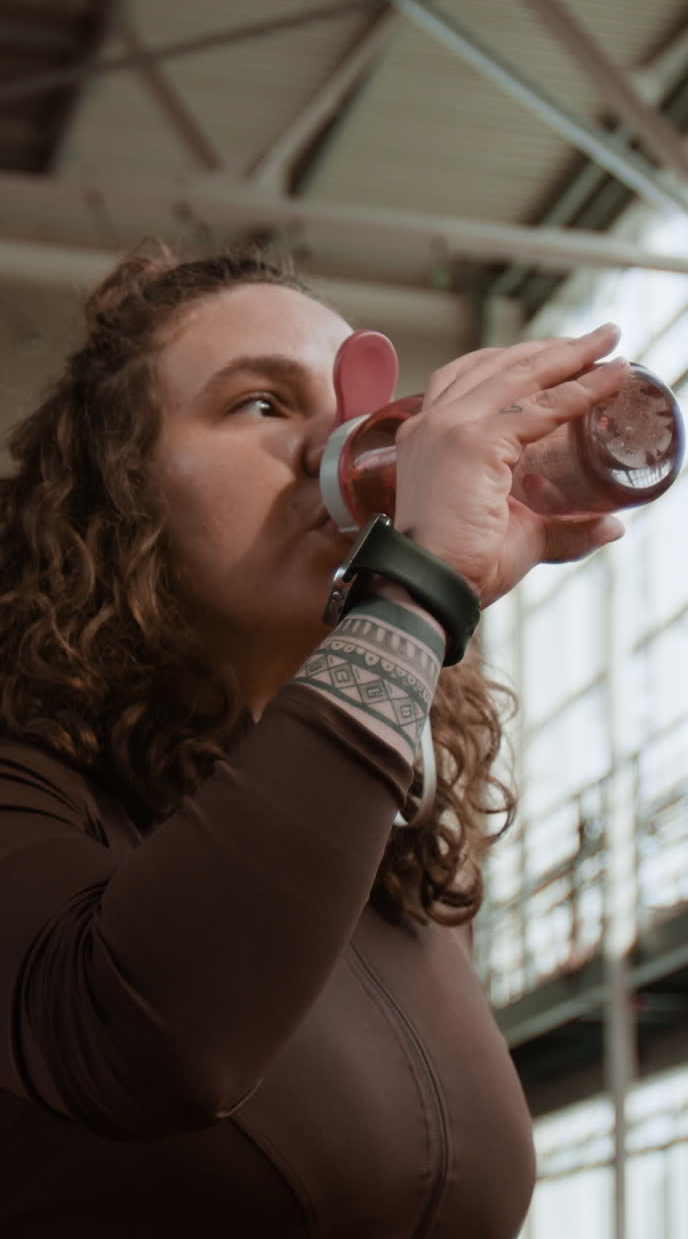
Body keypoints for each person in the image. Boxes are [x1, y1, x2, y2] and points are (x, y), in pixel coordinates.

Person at [0, 243, 628, 1237]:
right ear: (117, 487)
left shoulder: (395, 865)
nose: (336, 449)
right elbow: (143, 1045)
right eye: (259, 403)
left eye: (356, 414)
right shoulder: (28, 790)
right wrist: (420, 583)